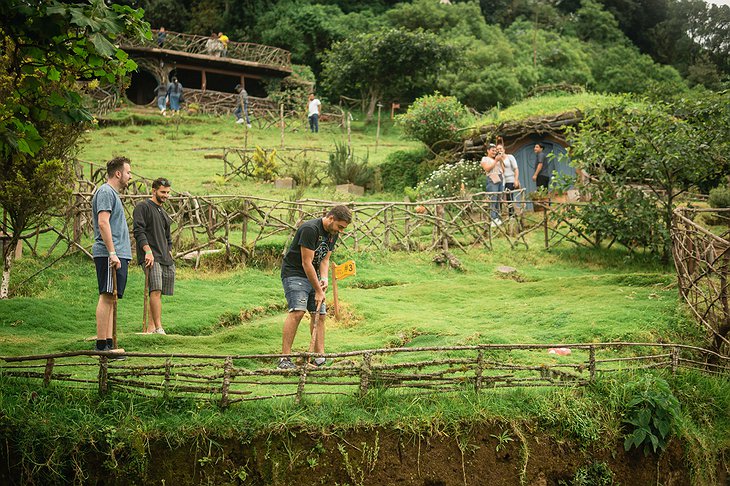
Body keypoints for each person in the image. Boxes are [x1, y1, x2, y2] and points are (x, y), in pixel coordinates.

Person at [278, 205, 352, 369]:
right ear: (331, 218)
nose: (341, 231)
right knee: (297, 311)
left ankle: (319, 358)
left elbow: (324, 260)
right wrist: (318, 290)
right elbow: (306, 262)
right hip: (295, 273)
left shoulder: (333, 234)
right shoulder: (310, 229)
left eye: (344, 228)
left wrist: (324, 278)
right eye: (340, 227)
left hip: (314, 274)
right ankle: (284, 359)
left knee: (320, 314)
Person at [91, 157, 133, 356]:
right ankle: (101, 345)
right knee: (106, 295)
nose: (130, 176)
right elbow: (103, 223)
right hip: (109, 253)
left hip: (117, 253)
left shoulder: (113, 194)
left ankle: (108, 343)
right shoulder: (106, 192)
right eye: (128, 172)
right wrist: (112, 253)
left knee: (111, 297)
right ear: (118, 173)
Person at [133, 178, 175, 335]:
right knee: (155, 290)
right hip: (151, 255)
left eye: (168, 192)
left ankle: (151, 328)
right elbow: (138, 231)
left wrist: (169, 250)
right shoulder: (142, 207)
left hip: (164, 256)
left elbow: (168, 236)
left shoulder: (162, 212)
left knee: (158, 293)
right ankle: (159, 328)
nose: (166, 195)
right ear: (154, 191)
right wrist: (147, 251)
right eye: (163, 192)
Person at [480, 143, 504, 226]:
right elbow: (487, 168)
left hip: (500, 178)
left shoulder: (497, 159)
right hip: (492, 179)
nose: (494, 152)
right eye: (492, 150)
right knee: (493, 199)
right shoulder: (485, 159)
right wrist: (496, 161)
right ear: (488, 151)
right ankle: (493, 219)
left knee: (499, 199)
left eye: (495, 150)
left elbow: (503, 170)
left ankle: (497, 218)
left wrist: (500, 160)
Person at [497, 141, 519, 218]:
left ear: (504, 149)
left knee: (509, 197)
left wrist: (516, 180)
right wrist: (499, 160)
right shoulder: (497, 159)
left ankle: (511, 215)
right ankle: (499, 215)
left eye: (500, 149)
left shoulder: (510, 157)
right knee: (500, 197)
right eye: (497, 149)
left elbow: (516, 169)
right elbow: (501, 170)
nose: (499, 150)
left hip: (510, 179)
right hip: (501, 181)